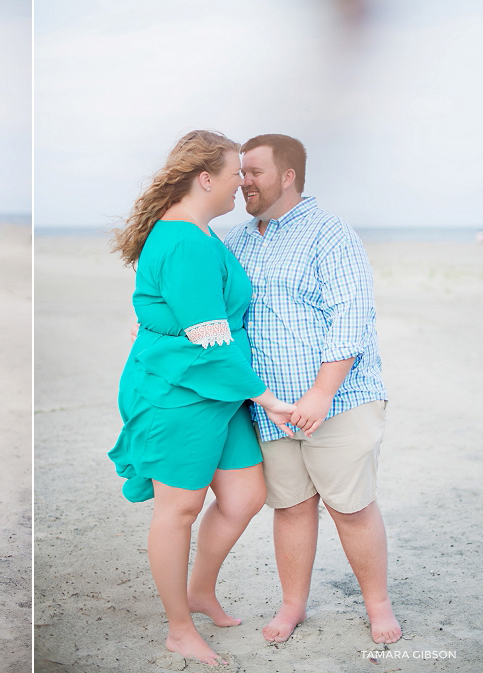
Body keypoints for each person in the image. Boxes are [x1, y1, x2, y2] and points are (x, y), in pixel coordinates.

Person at [108, 130, 296, 666]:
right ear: (205, 177)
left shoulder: (202, 234)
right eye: (236, 172)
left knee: (244, 496)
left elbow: (174, 309)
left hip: (216, 391)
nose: (242, 183)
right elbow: (207, 338)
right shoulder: (186, 240)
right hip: (180, 391)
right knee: (180, 507)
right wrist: (269, 399)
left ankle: (199, 590)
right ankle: (178, 627)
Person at [225, 133, 401, 645]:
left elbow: (352, 317)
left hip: (338, 400)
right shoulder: (235, 240)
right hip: (273, 407)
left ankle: (378, 605)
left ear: (287, 176)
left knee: (351, 507)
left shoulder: (331, 234)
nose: (243, 182)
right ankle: (293, 605)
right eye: (239, 172)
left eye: (253, 171)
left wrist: (321, 393)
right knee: (293, 507)